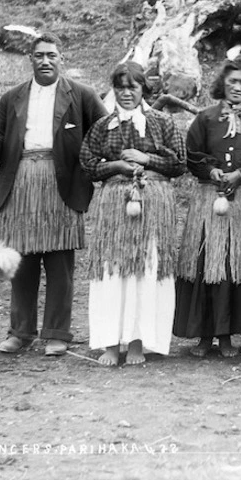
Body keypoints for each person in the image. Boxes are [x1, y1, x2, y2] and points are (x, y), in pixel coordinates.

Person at [0, 32, 108, 356]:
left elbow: (106, 129)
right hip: (21, 180)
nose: (45, 60)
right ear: (30, 59)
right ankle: (20, 332)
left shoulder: (81, 94)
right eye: (39, 55)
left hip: (62, 181)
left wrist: (93, 161)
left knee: (60, 262)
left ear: (62, 58)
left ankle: (57, 333)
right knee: (23, 261)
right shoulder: (13, 97)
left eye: (51, 55)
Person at [79, 62, 186, 366]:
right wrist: (115, 166)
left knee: (145, 269)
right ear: (113, 90)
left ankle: (139, 342)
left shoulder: (162, 123)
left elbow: (179, 164)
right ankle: (111, 344)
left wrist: (146, 158)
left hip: (153, 204)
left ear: (143, 90)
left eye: (132, 87)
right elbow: (87, 164)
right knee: (113, 272)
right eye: (120, 88)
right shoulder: (103, 126)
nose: (126, 94)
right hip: (115, 205)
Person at [174, 57, 241, 357]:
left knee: (233, 266)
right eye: (232, 82)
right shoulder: (205, 118)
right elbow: (191, 155)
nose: (237, 88)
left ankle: (227, 336)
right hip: (209, 202)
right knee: (207, 265)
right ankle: (204, 337)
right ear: (223, 85)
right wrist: (212, 170)